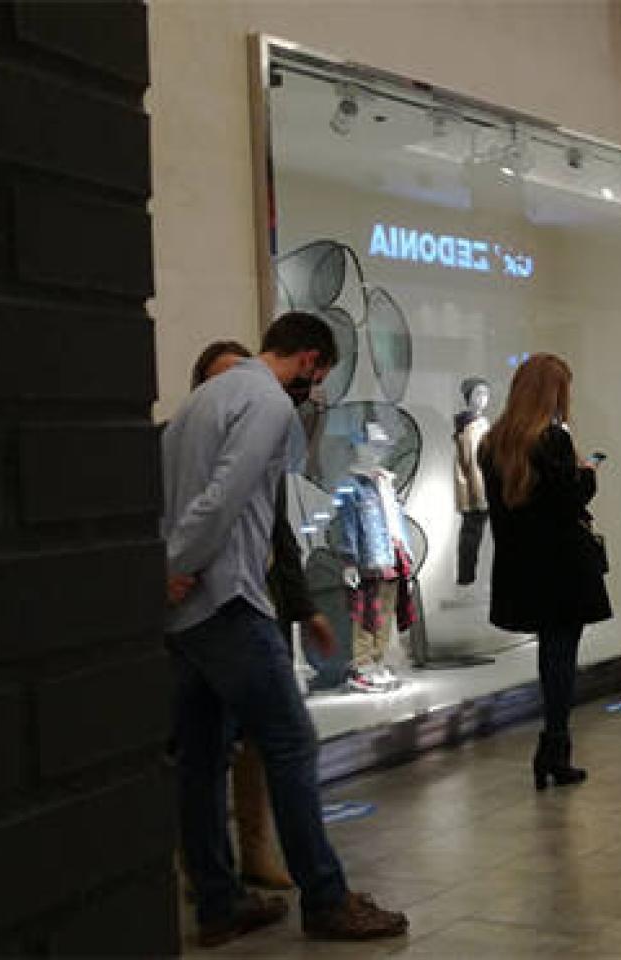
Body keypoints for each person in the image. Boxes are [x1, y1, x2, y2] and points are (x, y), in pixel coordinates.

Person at [162, 313, 407, 946]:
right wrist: (177, 563)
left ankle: (219, 903)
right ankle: (325, 899)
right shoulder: (267, 402)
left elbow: (173, 496)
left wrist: (167, 566)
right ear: (310, 361)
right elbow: (223, 497)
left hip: (188, 615)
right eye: (318, 376)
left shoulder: (199, 404)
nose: (316, 388)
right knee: (293, 745)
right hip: (229, 602)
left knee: (200, 757)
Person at [187, 340, 340, 893]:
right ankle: (317, 893)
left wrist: (303, 610)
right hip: (214, 612)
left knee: (248, 745)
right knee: (259, 742)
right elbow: (207, 512)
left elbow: (278, 536)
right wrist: (176, 566)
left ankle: (241, 868)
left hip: (251, 606)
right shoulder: (187, 440)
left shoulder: (257, 437)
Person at [481, 354, 612, 789]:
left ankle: (553, 748)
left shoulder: (492, 443)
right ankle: (554, 746)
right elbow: (569, 500)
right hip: (562, 566)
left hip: (522, 568)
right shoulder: (551, 440)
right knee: (562, 658)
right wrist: (588, 473)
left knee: (548, 656)